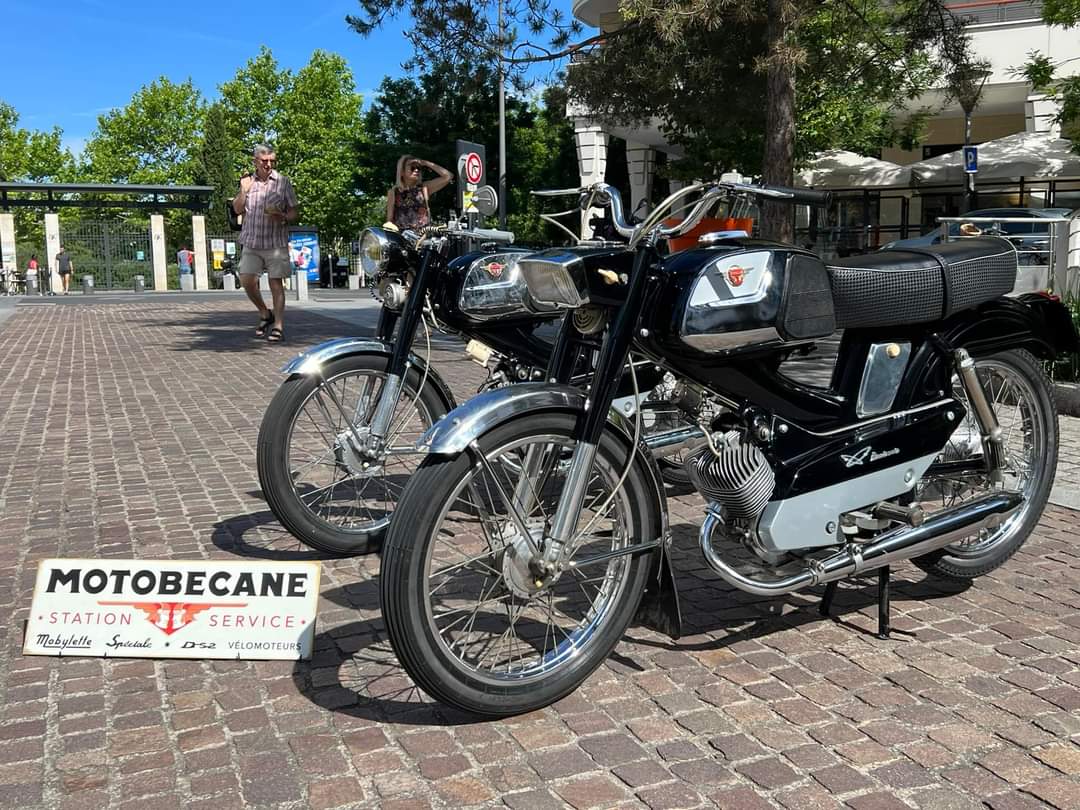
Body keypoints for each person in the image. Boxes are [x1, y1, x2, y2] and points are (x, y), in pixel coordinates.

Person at [232, 144, 298, 342]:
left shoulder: (282, 182)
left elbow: (295, 211)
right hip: (252, 241)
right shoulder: (247, 182)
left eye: (272, 160)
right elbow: (236, 209)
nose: (269, 164)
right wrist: (243, 191)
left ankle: (278, 325)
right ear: (255, 161)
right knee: (246, 279)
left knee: (275, 283)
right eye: (264, 160)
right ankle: (264, 312)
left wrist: (284, 217)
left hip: (275, 242)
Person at [385, 155, 452, 231]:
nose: (416, 170)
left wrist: (426, 163)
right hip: (402, 237)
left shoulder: (424, 188)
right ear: (402, 172)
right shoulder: (393, 192)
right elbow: (389, 221)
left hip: (423, 238)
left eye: (418, 168)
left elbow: (448, 176)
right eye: (412, 168)